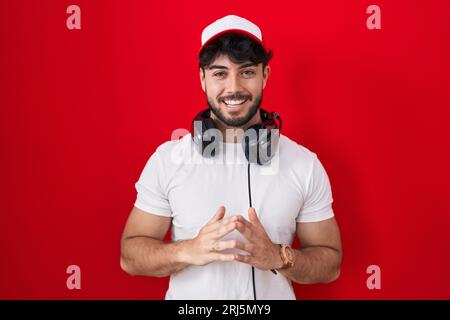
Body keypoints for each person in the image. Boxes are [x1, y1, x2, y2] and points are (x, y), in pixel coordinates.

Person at [120, 15, 342, 300]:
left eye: (247, 72)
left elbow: (330, 264)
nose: (234, 87)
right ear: (202, 78)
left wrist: (278, 256)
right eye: (219, 73)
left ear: (265, 75)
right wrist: (188, 250)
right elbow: (130, 256)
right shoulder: (167, 160)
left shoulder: (303, 163)